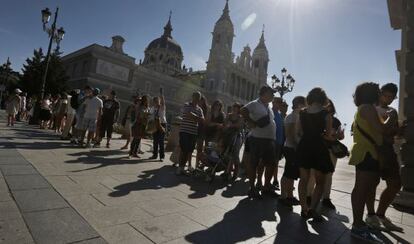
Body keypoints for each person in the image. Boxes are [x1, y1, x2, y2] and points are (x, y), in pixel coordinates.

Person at [349, 82, 391, 243]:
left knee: (365, 187)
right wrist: (390, 118)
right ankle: (358, 226)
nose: (380, 94)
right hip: (367, 152)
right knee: (361, 188)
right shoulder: (367, 107)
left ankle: (361, 223)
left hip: (368, 152)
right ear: (371, 93)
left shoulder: (365, 108)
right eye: (378, 91)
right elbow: (381, 129)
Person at [364, 83, 403, 232]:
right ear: (380, 93)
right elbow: (375, 129)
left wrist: (398, 130)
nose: (389, 99)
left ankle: (381, 214)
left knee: (395, 184)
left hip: (389, 150)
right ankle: (371, 215)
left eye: (392, 97)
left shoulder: (393, 111)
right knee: (371, 183)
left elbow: (393, 132)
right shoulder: (370, 108)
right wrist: (388, 127)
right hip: (373, 149)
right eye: (386, 95)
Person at [296, 87, 335, 221]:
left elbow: (299, 132)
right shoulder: (326, 114)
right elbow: (329, 136)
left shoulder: (302, 113)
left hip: (305, 145)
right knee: (320, 182)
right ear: (323, 98)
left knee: (304, 179)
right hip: (319, 147)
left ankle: (303, 209)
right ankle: (312, 209)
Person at [306, 99, 345, 210]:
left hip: (331, 150)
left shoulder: (336, 121)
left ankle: (326, 198)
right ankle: (308, 195)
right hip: (318, 149)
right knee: (313, 174)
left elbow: (338, 136)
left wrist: (340, 136)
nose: (328, 108)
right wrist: (330, 135)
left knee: (329, 175)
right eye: (326, 106)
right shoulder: (318, 119)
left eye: (330, 106)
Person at [241, 86, 277, 199]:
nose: (273, 95)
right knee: (254, 163)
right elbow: (243, 110)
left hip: (269, 139)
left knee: (271, 163)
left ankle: (266, 186)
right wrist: (250, 121)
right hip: (257, 138)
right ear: (264, 93)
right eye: (271, 93)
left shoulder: (269, 107)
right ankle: (252, 188)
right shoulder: (255, 103)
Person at [279, 96, 306, 208]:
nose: (306, 106)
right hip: (291, 148)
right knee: (289, 173)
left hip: (292, 147)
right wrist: (296, 146)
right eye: (304, 103)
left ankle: (288, 195)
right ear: (299, 104)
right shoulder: (293, 116)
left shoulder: (297, 116)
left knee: (291, 173)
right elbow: (290, 134)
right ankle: (285, 196)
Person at [176, 92, 205, 175]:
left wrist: (194, 117)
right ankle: (180, 167)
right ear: (192, 97)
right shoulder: (186, 105)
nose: (196, 99)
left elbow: (202, 120)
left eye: (198, 97)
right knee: (183, 149)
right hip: (185, 131)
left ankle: (182, 167)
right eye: (195, 97)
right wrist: (196, 118)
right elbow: (188, 114)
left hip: (193, 132)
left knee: (189, 150)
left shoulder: (199, 109)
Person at [223, 103, 244, 181]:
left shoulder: (240, 117)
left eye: (236, 108)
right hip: (228, 136)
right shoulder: (229, 115)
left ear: (238, 109)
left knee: (235, 154)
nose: (234, 109)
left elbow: (239, 125)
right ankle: (227, 171)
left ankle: (235, 173)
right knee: (227, 154)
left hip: (237, 137)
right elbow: (225, 123)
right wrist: (228, 125)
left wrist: (231, 125)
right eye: (234, 107)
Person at [149, 88, 167, 161]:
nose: (156, 102)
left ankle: (162, 156)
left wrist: (161, 95)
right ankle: (155, 155)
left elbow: (163, 102)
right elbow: (150, 116)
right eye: (155, 101)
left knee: (161, 141)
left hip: (162, 124)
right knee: (155, 141)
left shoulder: (161, 107)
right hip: (155, 125)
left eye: (157, 101)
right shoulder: (153, 108)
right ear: (153, 102)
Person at [195, 96, 209, 168]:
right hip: (194, 129)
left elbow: (206, 121)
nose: (200, 102)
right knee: (190, 148)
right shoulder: (195, 108)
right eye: (199, 100)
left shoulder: (206, 110)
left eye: (201, 101)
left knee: (199, 149)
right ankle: (192, 164)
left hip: (202, 131)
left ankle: (197, 165)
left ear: (204, 101)